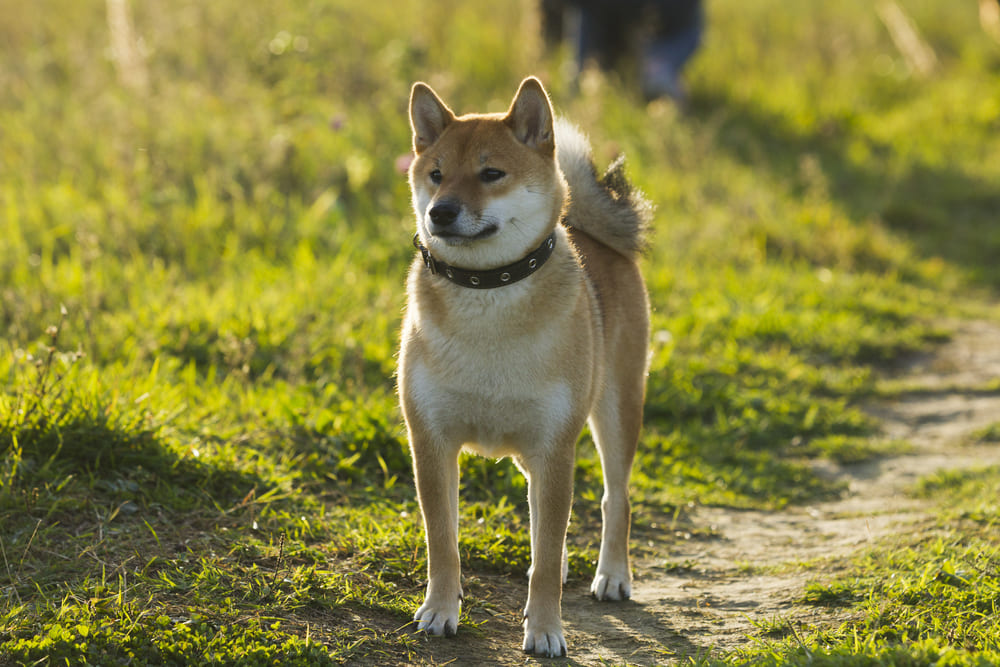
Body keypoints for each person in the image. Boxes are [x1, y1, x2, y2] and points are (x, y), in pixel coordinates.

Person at [541, 0, 704, 105]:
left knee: (655, 81)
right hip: (607, 21)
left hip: (662, 25)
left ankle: (658, 69)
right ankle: (656, 70)